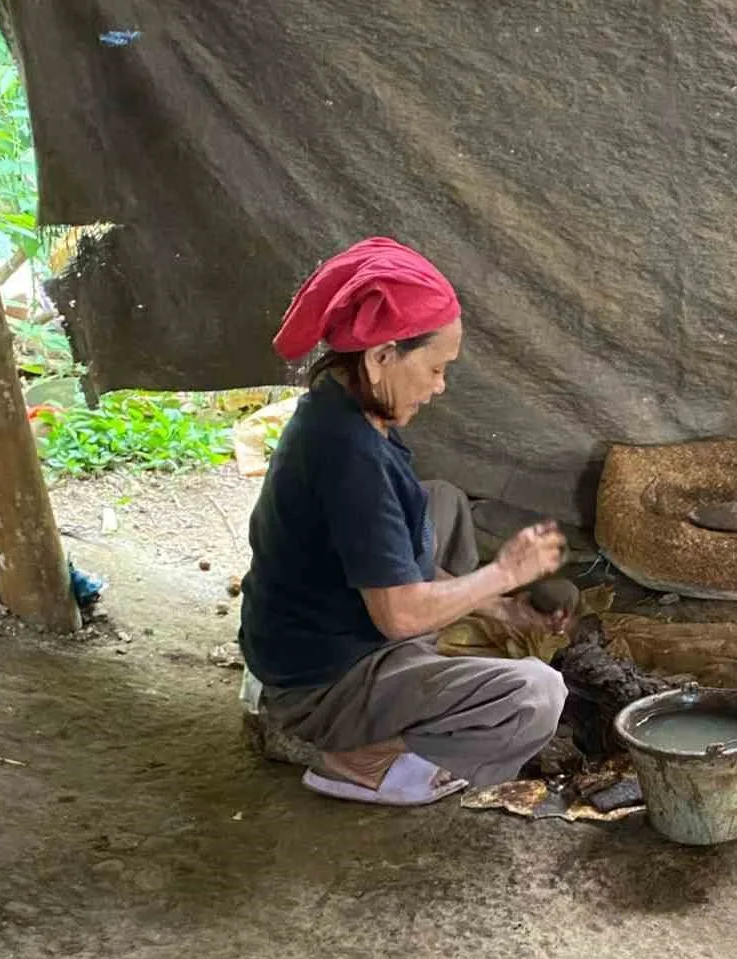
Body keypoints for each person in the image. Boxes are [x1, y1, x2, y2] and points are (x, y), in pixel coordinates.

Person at [239, 237, 570, 805]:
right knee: (538, 695)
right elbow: (398, 614)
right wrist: (503, 574)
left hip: (299, 640)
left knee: (438, 501)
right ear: (381, 356)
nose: (440, 387)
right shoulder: (350, 458)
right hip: (321, 683)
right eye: (436, 368)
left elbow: (391, 558)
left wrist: (503, 608)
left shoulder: (336, 406)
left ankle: (399, 692)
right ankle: (359, 759)